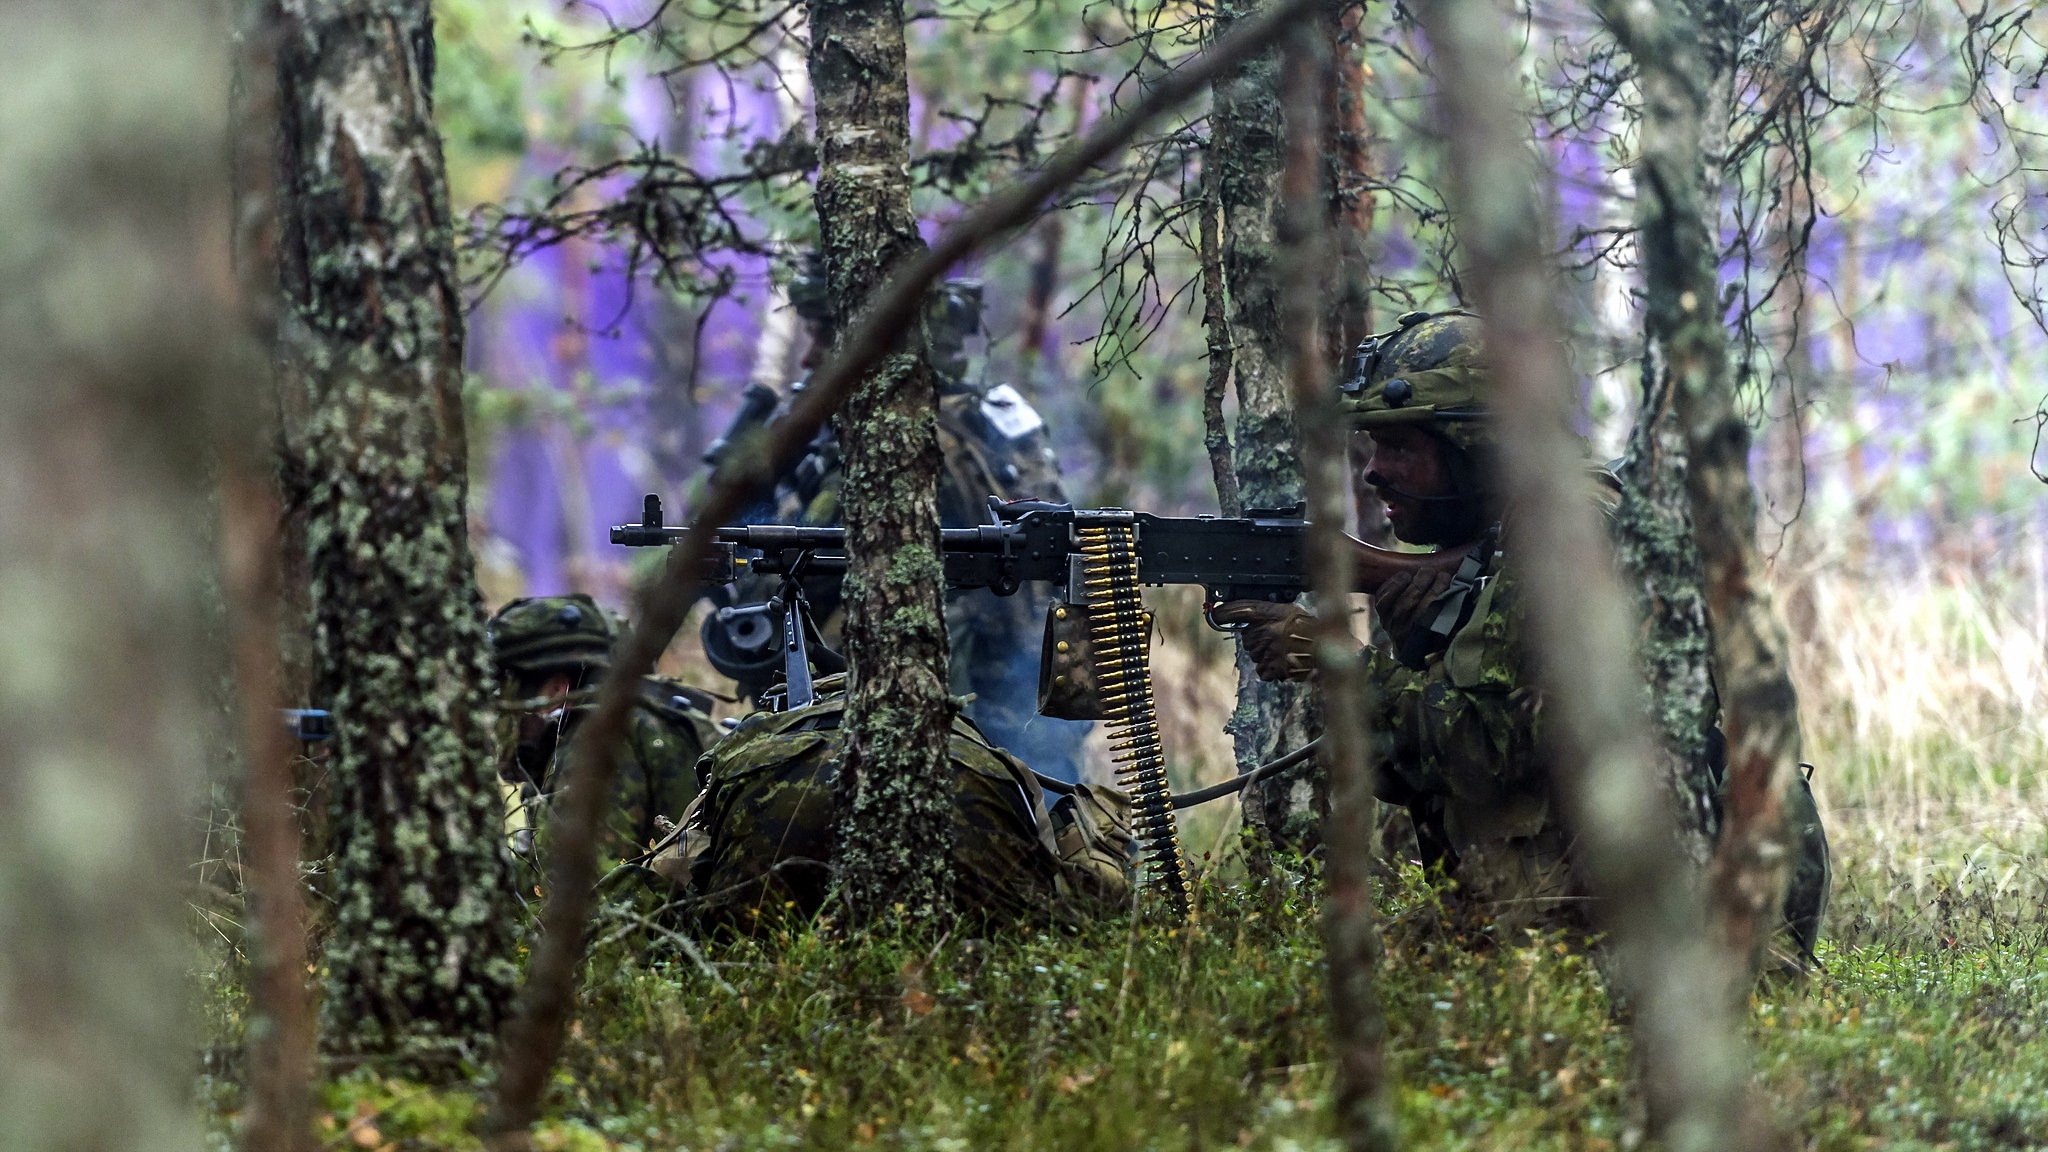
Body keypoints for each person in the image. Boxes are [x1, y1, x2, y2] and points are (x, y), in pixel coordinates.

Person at [1213, 310, 1830, 963]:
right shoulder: (1500, 549)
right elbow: (1415, 772)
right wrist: (1417, 647)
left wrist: (1339, 663)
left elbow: (1484, 751)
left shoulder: (1565, 537)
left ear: (1477, 448)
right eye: (1372, 447)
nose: (1372, 472)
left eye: (1400, 448)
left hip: (1662, 943)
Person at [699, 254, 1091, 781]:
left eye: (824, 338)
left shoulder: (880, 447)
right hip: (1029, 715)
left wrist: (740, 520)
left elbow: (777, 595)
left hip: (933, 728)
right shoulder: (998, 423)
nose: (812, 358)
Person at [646, 674, 1134, 933]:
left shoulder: (756, 749)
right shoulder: (972, 750)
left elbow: (671, 874)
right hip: (975, 889)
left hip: (758, 923)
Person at [486, 594, 723, 866]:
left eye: (503, 689)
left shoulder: (598, 744)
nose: (497, 712)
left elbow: (577, 896)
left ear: (556, 689)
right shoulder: (648, 720)